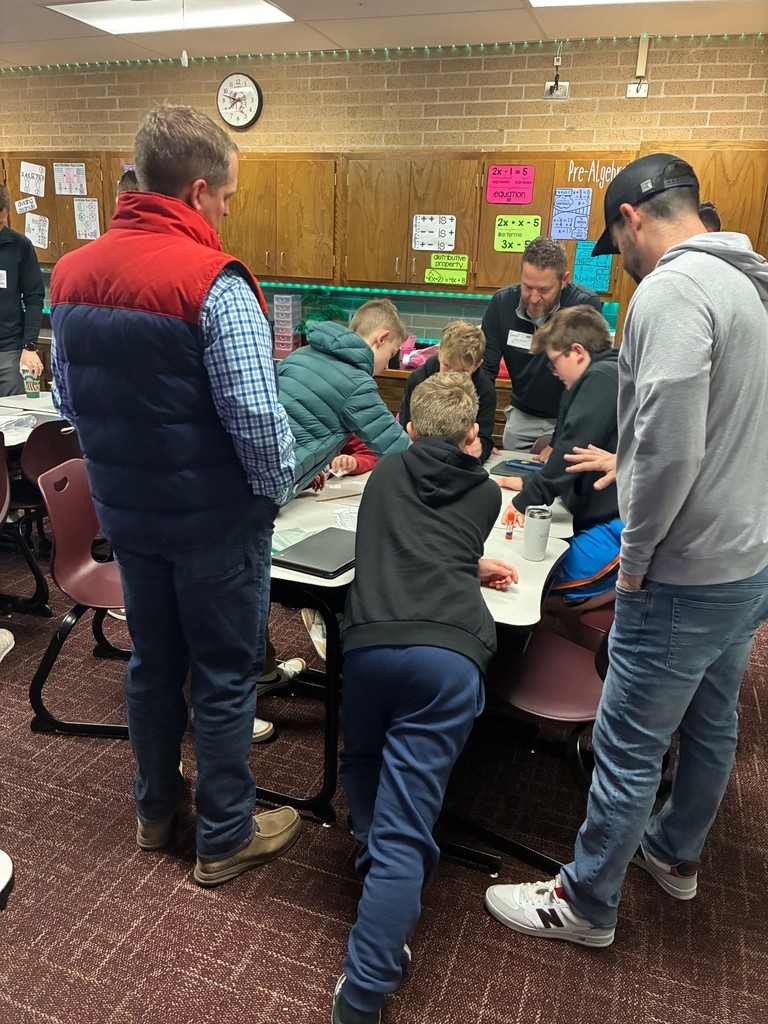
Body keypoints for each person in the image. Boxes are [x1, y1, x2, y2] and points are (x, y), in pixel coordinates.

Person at [485, 152, 768, 947]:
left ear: (631, 219)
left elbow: (671, 450)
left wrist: (636, 560)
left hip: (683, 569)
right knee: (712, 725)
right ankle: (675, 855)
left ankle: (585, 902)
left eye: (622, 245)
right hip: (746, 561)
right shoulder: (753, 282)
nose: (627, 264)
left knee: (628, 742)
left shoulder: (674, 291)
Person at [49, 104, 301, 887]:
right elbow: (258, 420)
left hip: (128, 517)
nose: (227, 213)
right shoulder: (214, 284)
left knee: (153, 664)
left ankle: (156, 812)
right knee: (225, 672)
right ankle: (224, 834)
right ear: (197, 190)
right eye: (225, 198)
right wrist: (277, 493)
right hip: (216, 524)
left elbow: (68, 399)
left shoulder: (70, 273)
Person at [333, 372, 517, 1024]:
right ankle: (361, 995)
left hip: (371, 644)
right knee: (410, 831)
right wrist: (475, 566)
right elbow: (445, 533)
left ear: (408, 432)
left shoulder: (383, 476)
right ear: (475, 437)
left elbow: (408, 532)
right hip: (448, 657)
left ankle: (371, 851)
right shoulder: (489, 493)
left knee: (360, 760)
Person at [498, 304, 621, 603]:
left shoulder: (600, 376)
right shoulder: (607, 371)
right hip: (602, 518)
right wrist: (532, 484)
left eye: (554, 362)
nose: (553, 372)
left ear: (577, 351)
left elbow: (572, 450)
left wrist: (525, 500)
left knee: (531, 585)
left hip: (614, 529)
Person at [277, 297, 410, 499]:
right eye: (391, 354)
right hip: (267, 491)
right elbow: (399, 451)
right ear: (381, 338)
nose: (385, 367)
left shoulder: (298, 355)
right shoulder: (357, 383)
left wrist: (307, 472)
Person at [481, 237, 602, 451]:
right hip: (522, 417)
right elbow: (485, 372)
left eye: (544, 290)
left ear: (564, 280)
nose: (534, 298)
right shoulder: (501, 304)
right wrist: (480, 434)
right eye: (527, 287)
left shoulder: (583, 306)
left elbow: (586, 380)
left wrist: (557, 441)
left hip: (568, 419)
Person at [399, 319, 496, 463]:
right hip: (420, 457)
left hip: (460, 462)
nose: (451, 375)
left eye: (462, 371)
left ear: (477, 365)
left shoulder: (485, 390)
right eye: (446, 365)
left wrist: (480, 449)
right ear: (439, 353)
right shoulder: (418, 379)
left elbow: (485, 440)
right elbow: (405, 428)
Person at [0, 184, 45, 397]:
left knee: (15, 421)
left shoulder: (20, 245)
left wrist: (29, 346)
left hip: (9, 351)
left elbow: (35, 298)